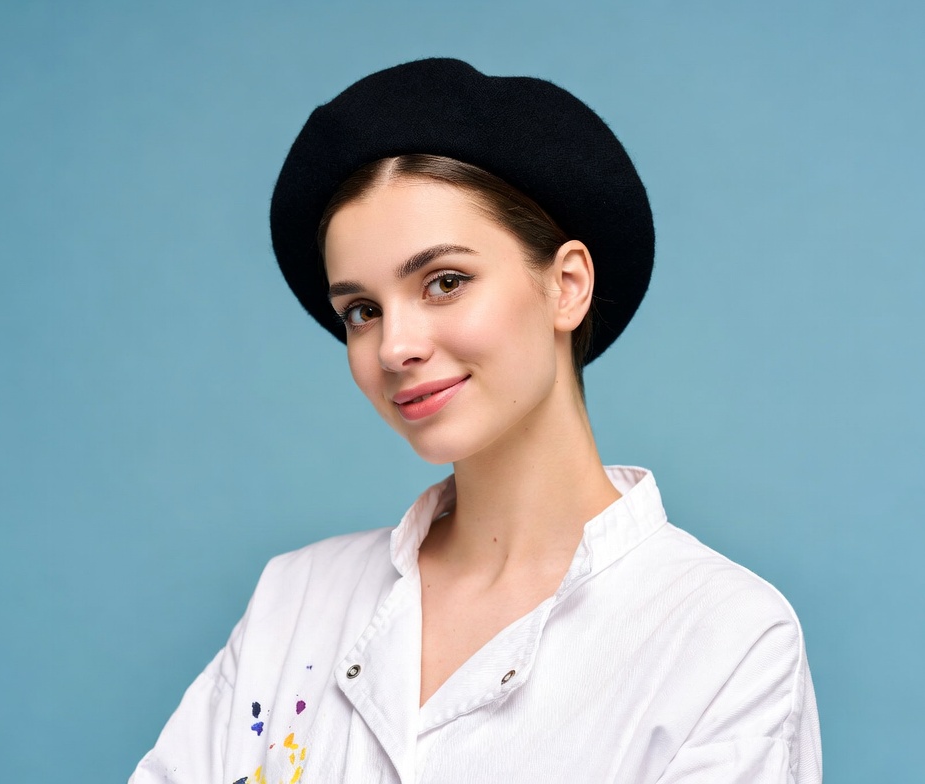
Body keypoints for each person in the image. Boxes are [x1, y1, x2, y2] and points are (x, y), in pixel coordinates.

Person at [131, 58, 822, 784]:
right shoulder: (297, 600)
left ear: (566, 286)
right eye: (361, 311)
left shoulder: (723, 638)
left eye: (445, 282)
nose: (394, 347)